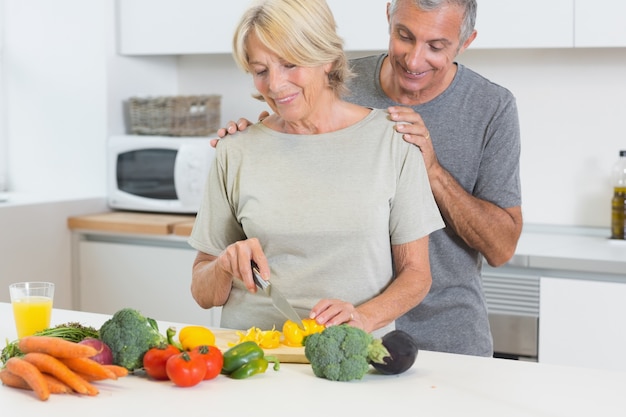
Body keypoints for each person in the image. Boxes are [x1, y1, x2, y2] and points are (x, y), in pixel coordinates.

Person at [216, 0, 523, 356]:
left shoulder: (491, 107)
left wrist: (433, 171)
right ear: (388, 18)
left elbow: (502, 248)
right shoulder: (336, 81)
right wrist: (249, 138)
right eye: (404, 36)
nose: (414, 59)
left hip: (445, 334)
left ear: (465, 41)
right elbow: (286, 123)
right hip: (340, 335)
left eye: (436, 46)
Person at [188, 0, 445, 337]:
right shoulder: (236, 150)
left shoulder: (393, 141)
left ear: (327, 58)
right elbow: (203, 293)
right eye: (261, 70)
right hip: (254, 360)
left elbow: (416, 274)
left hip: (350, 357)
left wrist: (364, 317)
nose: (276, 85)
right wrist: (223, 265)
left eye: (290, 64)